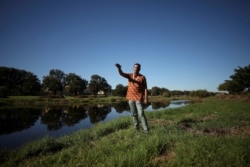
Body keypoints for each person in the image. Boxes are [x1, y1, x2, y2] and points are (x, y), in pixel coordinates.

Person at [115, 63, 149, 133]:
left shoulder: (142, 77)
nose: (136, 68)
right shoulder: (129, 75)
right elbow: (121, 74)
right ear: (133, 68)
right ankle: (136, 129)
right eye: (135, 67)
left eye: (137, 67)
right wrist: (119, 68)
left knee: (141, 114)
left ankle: (146, 130)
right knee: (134, 114)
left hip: (139, 98)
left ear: (139, 69)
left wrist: (146, 98)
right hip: (130, 98)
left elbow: (145, 88)